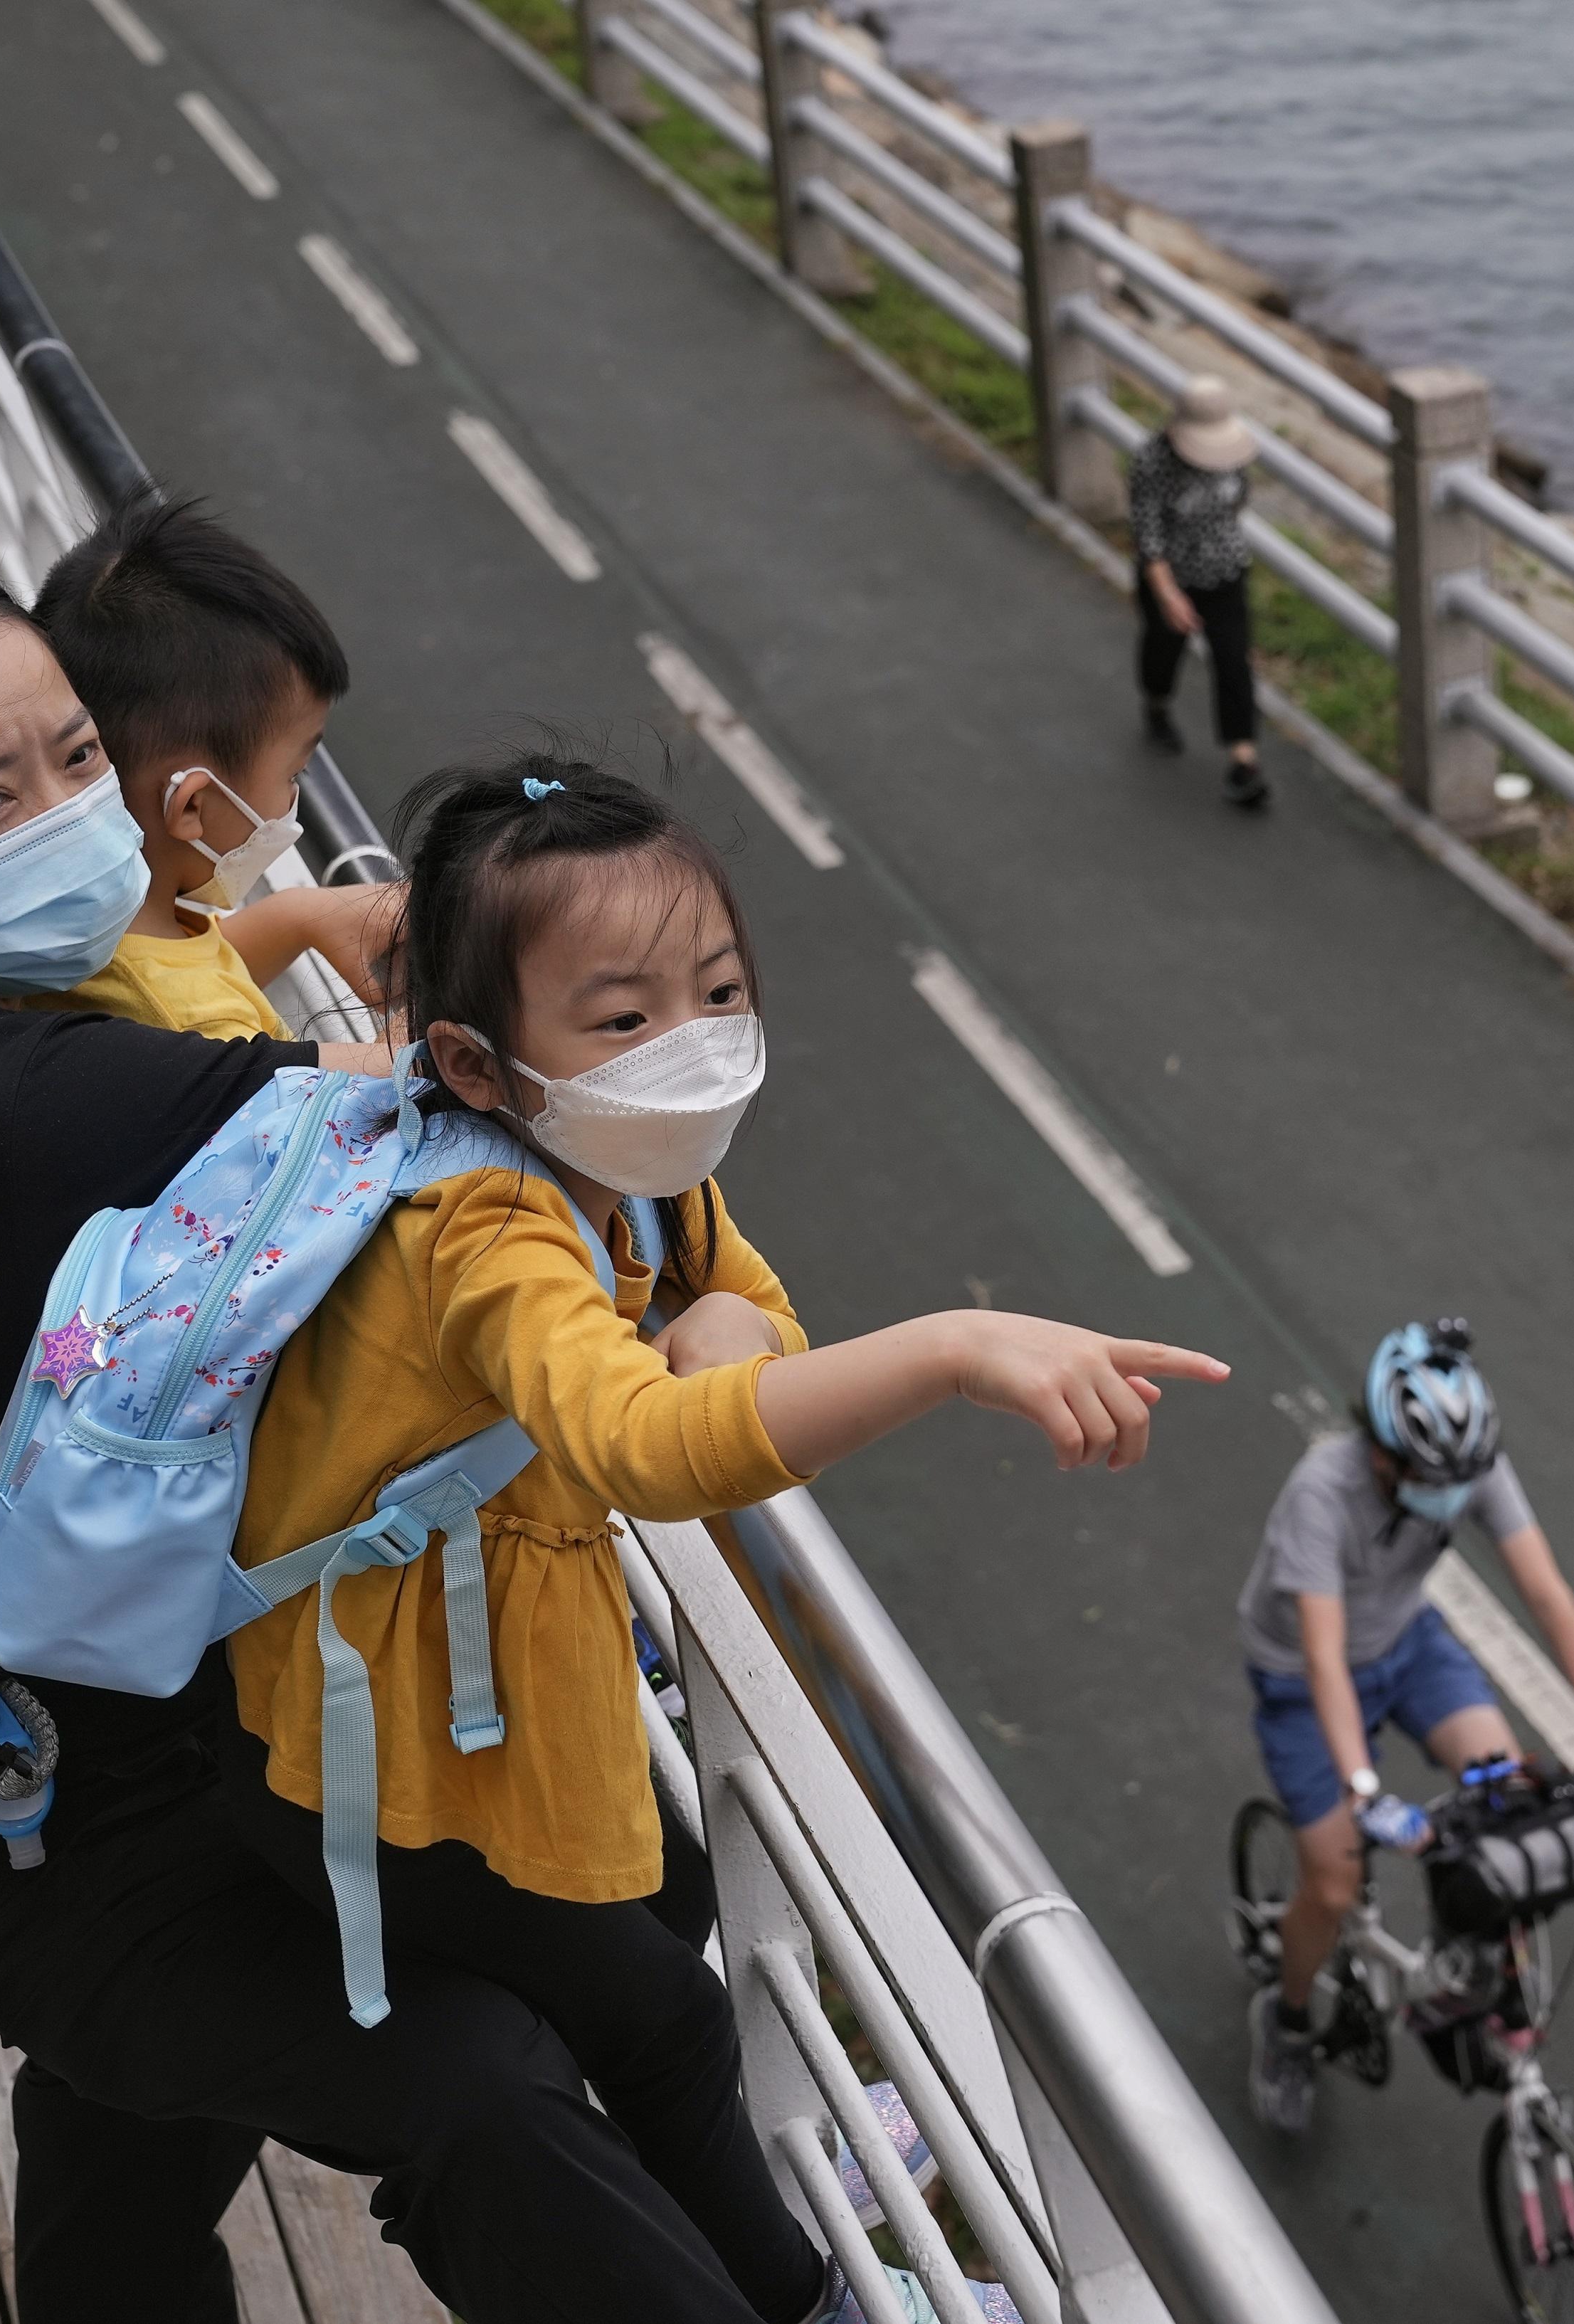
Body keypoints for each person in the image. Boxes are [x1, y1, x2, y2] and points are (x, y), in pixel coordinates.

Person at [0, 544, 1152, 2324]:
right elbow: (494, 1127)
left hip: (42, 1738)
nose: (74, 815)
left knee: (405, 2032)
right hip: (73, 1816)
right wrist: (793, 1311)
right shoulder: (15, 1105)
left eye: (67, 754)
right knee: (487, 2072)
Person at [211, 757, 1225, 2323]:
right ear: (474, 1065)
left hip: (477, 1692)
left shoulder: (637, 1162)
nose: (686, 1045)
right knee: (673, 2024)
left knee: (669, 1904)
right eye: (621, 1019)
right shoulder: (481, 1223)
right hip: (385, 1754)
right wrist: (953, 1346)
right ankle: (811, 2298)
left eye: (719, 988)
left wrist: (728, 1315)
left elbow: (755, 1328)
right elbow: (645, 1444)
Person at [1234, 1319, 1574, 2133]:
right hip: (1302, 1676)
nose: (1450, 1493)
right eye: (1429, 1475)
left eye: (1462, 1476)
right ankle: (1284, 2019)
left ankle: (1458, 1977)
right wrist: (1365, 1788)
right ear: (1382, 1450)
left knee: (1507, 1793)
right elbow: (1323, 1660)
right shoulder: (1324, 1490)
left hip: (1409, 1643)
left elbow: (1547, 1592)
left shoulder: (1468, 1464)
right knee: (1336, 1879)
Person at [26, 492, 398, 1035]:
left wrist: (296, 917)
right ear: (193, 805)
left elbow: (178, 974)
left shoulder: (80, 933)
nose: (290, 803)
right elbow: (191, 1013)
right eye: (294, 775)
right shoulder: (205, 1034)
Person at [1130, 374, 1267, 809]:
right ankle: (1156, 703)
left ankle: (1244, 761)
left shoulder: (1232, 457)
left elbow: (1237, 499)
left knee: (1233, 661)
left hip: (1226, 571)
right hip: (1171, 578)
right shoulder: (1152, 463)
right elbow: (1148, 537)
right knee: (1164, 648)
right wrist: (1169, 595)